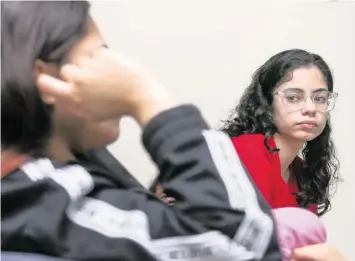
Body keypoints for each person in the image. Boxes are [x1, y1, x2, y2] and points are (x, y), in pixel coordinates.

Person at [1, 1, 283, 261]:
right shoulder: (29, 191)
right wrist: (146, 96)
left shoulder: (72, 165)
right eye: (100, 57)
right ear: (46, 77)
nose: (117, 73)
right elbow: (245, 248)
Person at [220, 49, 340, 216]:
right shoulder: (248, 151)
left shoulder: (303, 174)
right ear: (267, 102)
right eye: (293, 97)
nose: (311, 109)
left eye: (320, 98)